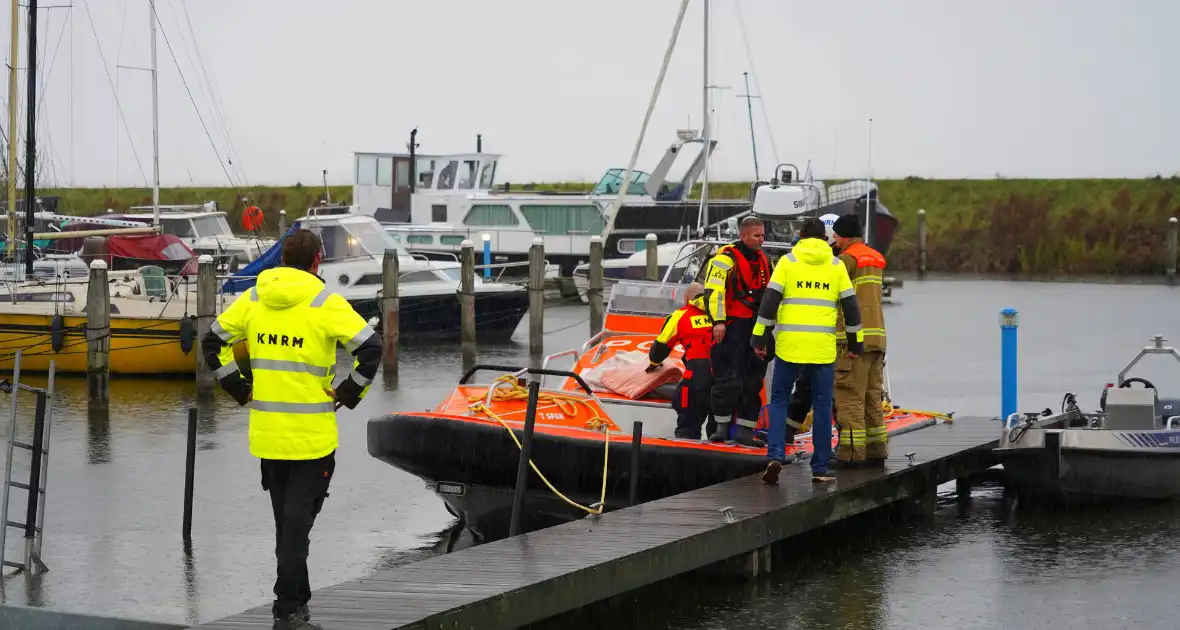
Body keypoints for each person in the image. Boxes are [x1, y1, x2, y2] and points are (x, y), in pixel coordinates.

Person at [200, 228, 382, 630]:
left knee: (289, 528)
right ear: (318, 262)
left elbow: (211, 343)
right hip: (313, 440)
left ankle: (297, 604)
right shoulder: (325, 302)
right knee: (295, 529)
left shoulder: (252, 299)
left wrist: (237, 388)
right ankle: (287, 612)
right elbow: (371, 348)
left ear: (282, 260)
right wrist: (348, 392)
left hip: (268, 437)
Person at [750, 217, 863, 484]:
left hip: (790, 346)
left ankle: (775, 455)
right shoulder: (836, 266)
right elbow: (852, 309)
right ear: (825, 238)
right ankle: (820, 468)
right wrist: (856, 343)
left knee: (778, 400)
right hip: (822, 349)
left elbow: (768, 304)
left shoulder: (787, 263)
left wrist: (759, 339)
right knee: (822, 405)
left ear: (800, 236)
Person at [701, 216, 773, 446]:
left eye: (763, 235)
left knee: (753, 380)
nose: (762, 239)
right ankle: (720, 428)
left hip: (757, 326)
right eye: (756, 235)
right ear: (743, 236)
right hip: (733, 325)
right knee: (727, 378)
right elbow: (714, 291)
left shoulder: (766, 260)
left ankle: (745, 430)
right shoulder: (725, 259)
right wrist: (718, 322)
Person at [830, 213, 889, 468]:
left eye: (835, 237)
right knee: (871, 399)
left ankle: (851, 454)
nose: (834, 241)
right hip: (877, 339)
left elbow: (835, 297)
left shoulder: (845, 260)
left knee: (849, 398)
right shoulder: (874, 257)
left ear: (842, 236)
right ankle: (876, 450)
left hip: (851, 342)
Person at [646, 282, 716, 439]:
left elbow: (661, 346)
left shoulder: (681, 315)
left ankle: (686, 456)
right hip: (723, 378)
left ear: (686, 298)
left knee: (688, 424)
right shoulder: (720, 313)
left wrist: (654, 363)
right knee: (719, 429)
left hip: (697, 377)